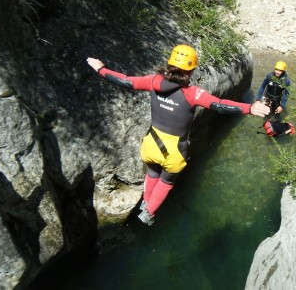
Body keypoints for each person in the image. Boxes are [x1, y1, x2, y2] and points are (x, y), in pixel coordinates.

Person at [87, 44, 270, 226]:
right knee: (165, 182)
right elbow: (219, 104)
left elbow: (126, 81)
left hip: (151, 144)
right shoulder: (193, 94)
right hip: (173, 152)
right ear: (191, 70)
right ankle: (148, 214)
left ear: (170, 64)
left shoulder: (154, 81)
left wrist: (101, 69)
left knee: (152, 173)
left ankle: (145, 202)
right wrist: (249, 107)